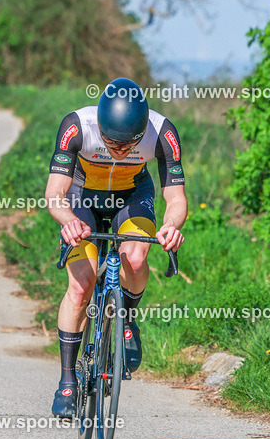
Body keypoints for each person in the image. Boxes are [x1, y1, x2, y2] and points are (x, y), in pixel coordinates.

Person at [45, 77, 187, 419]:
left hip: (132, 196)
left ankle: (128, 321)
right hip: (83, 197)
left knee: (136, 259)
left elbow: (176, 198)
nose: (119, 151)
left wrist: (171, 226)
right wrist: (68, 220)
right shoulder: (77, 126)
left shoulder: (162, 131)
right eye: (111, 143)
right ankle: (67, 380)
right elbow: (55, 194)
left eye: (129, 145)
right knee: (81, 285)